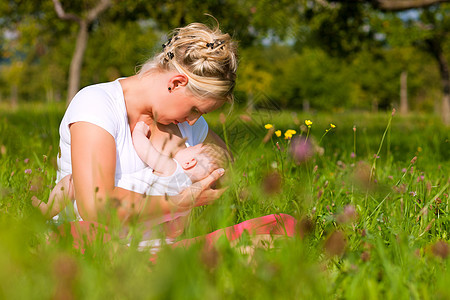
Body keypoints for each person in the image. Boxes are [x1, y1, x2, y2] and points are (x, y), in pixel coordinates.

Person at [52, 22, 237, 225]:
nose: (194, 120)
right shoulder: (97, 104)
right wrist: (181, 201)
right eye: (195, 109)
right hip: (93, 243)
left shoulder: (186, 123)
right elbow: (96, 207)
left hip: (166, 247)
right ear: (176, 83)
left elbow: (227, 164)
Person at [32, 120, 230, 237]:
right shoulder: (186, 190)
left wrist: (139, 132)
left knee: (73, 180)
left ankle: (48, 210)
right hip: (126, 223)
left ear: (190, 163)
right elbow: (175, 229)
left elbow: (145, 151)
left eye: (190, 149)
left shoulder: (173, 170)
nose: (185, 147)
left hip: (107, 200)